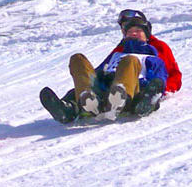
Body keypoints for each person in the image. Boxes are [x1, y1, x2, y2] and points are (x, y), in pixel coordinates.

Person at [40, 9, 182, 123]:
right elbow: (99, 71)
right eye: (127, 30)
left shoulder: (156, 50)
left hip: (135, 89)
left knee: (130, 60)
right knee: (78, 59)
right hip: (106, 89)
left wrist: (155, 91)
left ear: (147, 32)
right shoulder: (119, 51)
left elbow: (168, 74)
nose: (132, 33)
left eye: (137, 30)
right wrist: (83, 87)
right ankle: (72, 107)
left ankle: (120, 97)